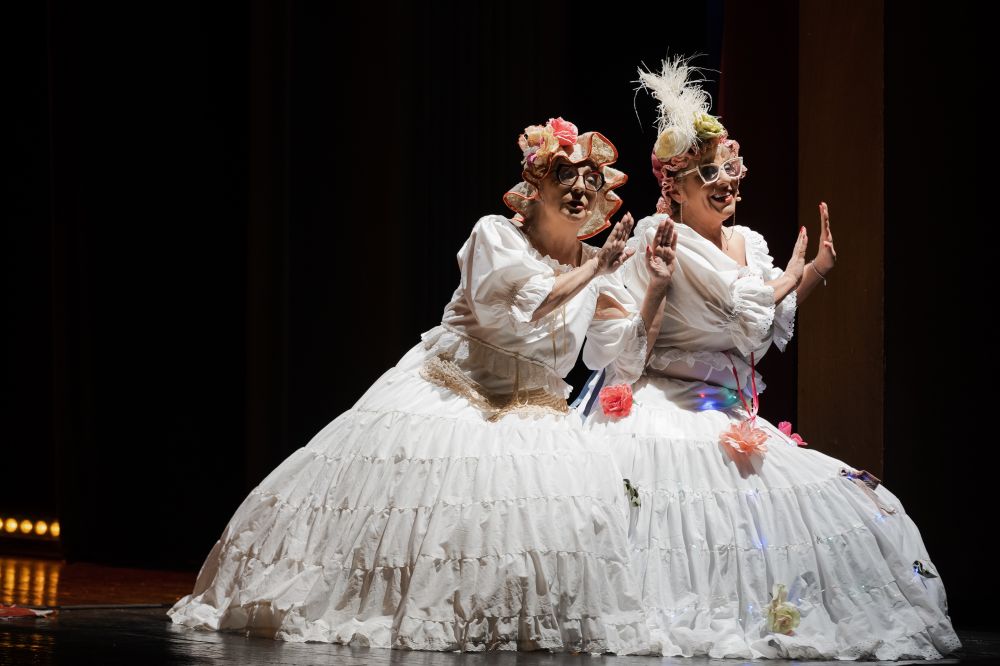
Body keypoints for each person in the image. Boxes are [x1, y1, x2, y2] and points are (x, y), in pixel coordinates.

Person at [168, 117, 675, 653]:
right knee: (429, 519)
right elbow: (520, 308)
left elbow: (624, 358)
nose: (580, 189)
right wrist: (595, 270)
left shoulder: (594, 268)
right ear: (535, 184)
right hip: (458, 390)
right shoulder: (497, 236)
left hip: (534, 411)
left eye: (591, 181)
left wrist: (657, 289)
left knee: (526, 532)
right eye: (565, 175)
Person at [579, 58, 960, 660]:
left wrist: (813, 275)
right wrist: (787, 281)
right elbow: (738, 309)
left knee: (832, 509)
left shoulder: (746, 241)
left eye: (730, 168)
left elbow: (755, 333)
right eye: (710, 172)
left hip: (727, 406)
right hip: (670, 404)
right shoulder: (662, 235)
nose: (727, 182)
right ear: (675, 186)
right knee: (689, 526)